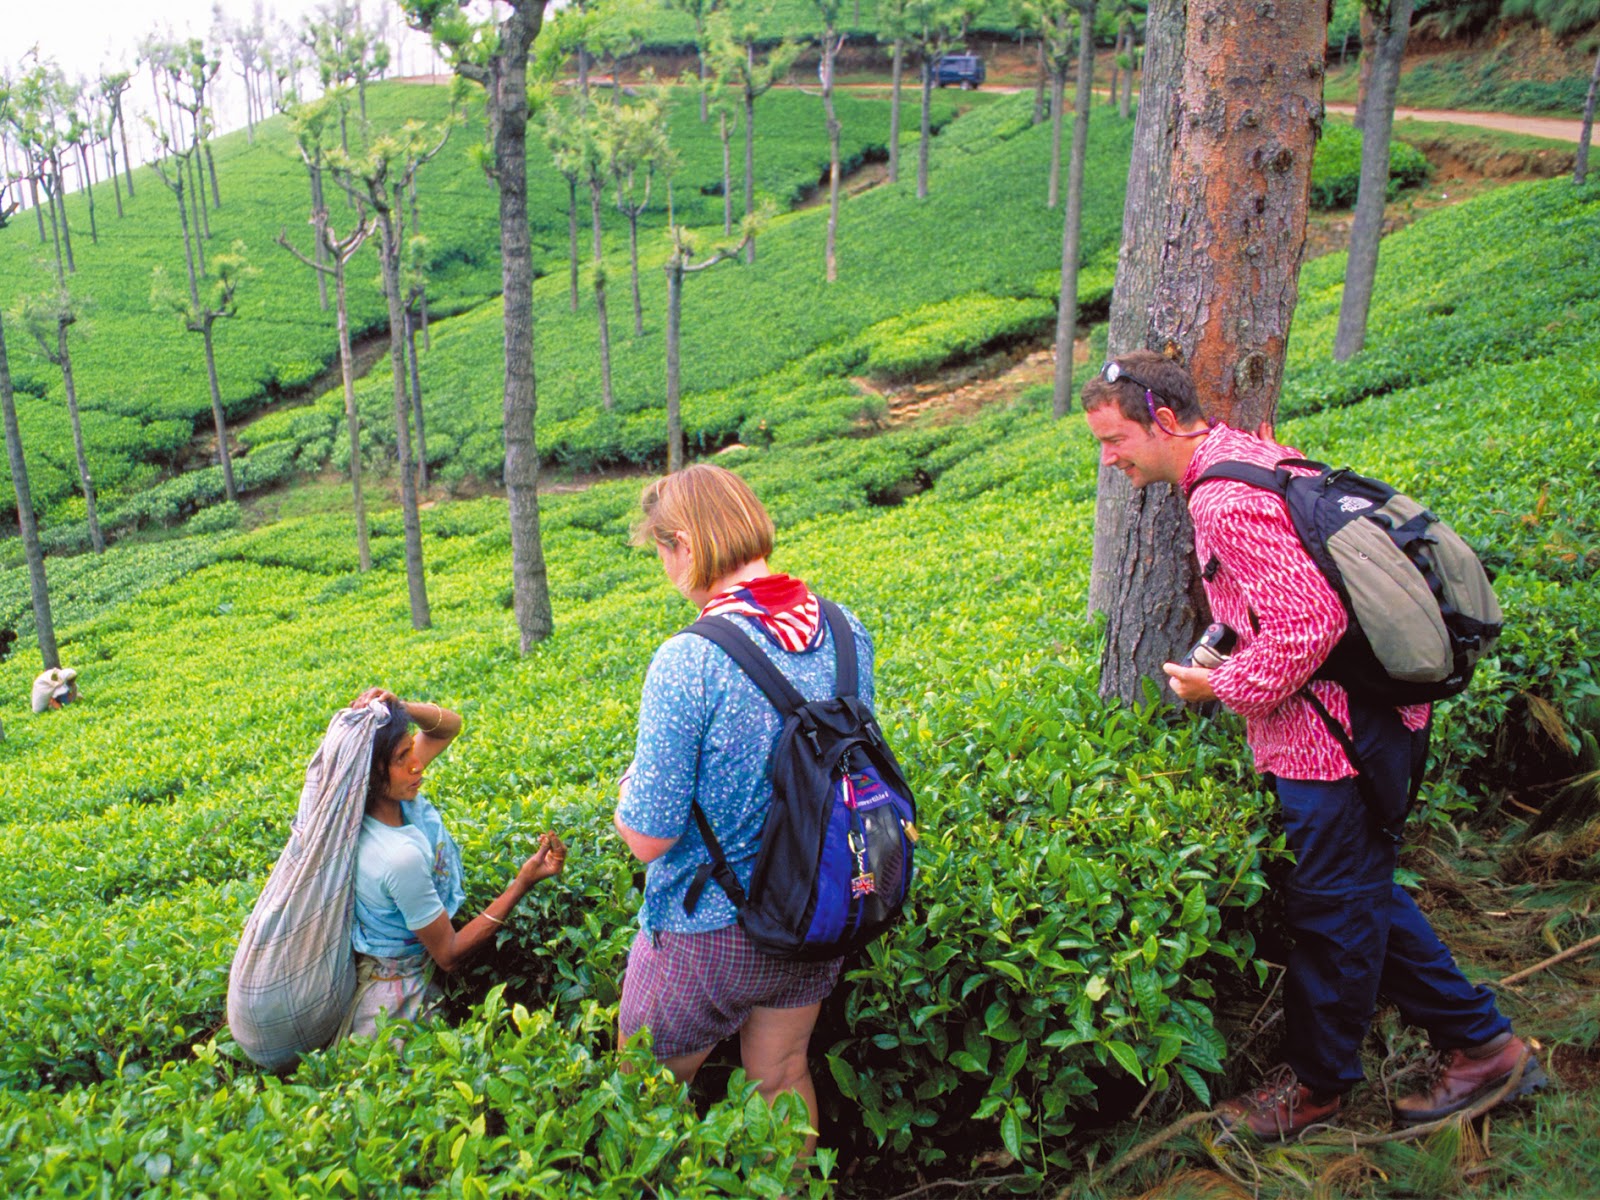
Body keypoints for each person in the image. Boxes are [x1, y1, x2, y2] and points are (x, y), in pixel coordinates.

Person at [1080, 349, 1543, 1140]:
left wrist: (1216, 686)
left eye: (1114, 439)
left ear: (1161, 420)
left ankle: (1319, 1087)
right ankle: (1485, 1046)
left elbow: (1308, 625)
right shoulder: (1249, 452)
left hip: (1332, 742)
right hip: (1364, 723)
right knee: (1364, 896)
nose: (1109, 458)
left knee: (1332, 913)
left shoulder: (1223, 498)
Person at [613, 463, 877, 1158]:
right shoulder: (846, 628)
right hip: (819, 910)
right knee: (783, 1072)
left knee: (644, 1094)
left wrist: (628, 793)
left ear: (686, 546)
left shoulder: (689, 659)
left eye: (662, 552)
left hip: (708, 931)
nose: (666, 569)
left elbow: (648, 837)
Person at [339, 687, 568, 1042]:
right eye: (402, 757)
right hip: (400, 1005)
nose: (417, 765)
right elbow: (448, 953)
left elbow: (448, 727)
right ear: (372, 774)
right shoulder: (398, 857)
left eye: (410, 750)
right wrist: (523, 881)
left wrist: (400, 708)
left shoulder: (380, 802)